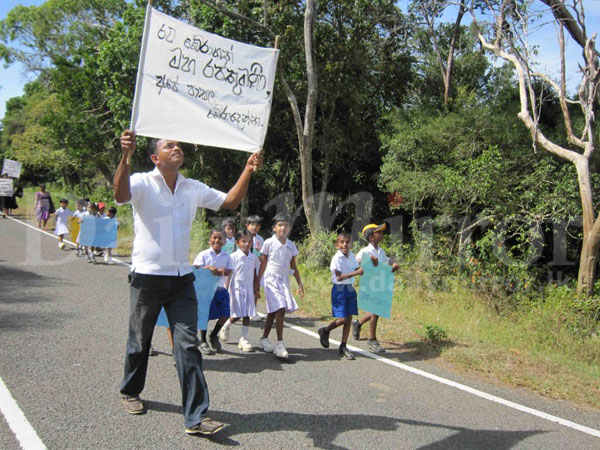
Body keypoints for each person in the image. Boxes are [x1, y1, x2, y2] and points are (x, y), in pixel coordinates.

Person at [114, 130, 262, 435]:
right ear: (156, 158)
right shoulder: (142, 181)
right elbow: (119, 195)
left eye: (178, 144)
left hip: (182, 280)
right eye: (169, 146)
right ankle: (131, 390)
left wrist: (247, 169)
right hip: (147, 278)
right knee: (140, 341)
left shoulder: (192, 187)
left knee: (188, 346)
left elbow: (231, 202)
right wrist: (125, 156)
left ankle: (196, 417)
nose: (177, 147)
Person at [257, 213, 304, 358]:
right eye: (280, 225)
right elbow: (263, 262)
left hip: (284, 280)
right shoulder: (269, 243)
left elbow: (293, 265)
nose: (283, 228)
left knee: (274, 310)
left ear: (289, 228)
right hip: (270, 278)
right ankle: (280, 344)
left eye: (286, 225)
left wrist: (300, 283)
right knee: (281, 309)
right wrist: (257, 283)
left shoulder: (291, 245)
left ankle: (264, 338)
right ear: (274, 228)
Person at [351, 223, 399, 353]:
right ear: (372, 237)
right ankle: (372, 339)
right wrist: (368, 260)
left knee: (377, 310)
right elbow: (357, 261)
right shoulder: (365, 251)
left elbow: (386, 261)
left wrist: (393, 265)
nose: (382, 234)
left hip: (380, 283)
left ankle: (358, 323)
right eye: (380, 232)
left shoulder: (381, 251)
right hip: (369, 283)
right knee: (376, 310)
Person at [318, 232, 364, 360]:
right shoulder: (337, 258)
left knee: (349, 318)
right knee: (342, 319)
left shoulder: (352, 256)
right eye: (342, 242)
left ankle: (343, 345)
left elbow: (357, 267)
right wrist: (356, 273)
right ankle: (325, 331)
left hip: (350, 288)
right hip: (339, 289)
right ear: (337, 245)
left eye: (347, 242)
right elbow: (338, 278)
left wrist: (365, 265)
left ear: (351, 244)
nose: (345, 244)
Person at [193, 228, 233, 355]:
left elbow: (230, 270)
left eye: (220, 238)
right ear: (210, 240)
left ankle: (214, 335)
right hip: (206, 290)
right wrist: (208, 268)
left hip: (221, 290)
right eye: (214, 238)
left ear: (225, 241)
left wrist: (224, 271)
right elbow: (196, 268)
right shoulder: (204, 254)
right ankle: (202, 340)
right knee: (205, 316)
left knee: (225, 314)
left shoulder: (226, 256)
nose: (217, 240)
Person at [219, 229, 260, 352]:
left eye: (249, 242)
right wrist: (225, 289)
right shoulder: (233, 257)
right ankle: (225, 327)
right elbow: (229, 274)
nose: (247, 244)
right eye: (243, 241)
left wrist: (256, 289)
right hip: (236, 288)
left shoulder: (253, 258)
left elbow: (254, 274)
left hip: (248, 288)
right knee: (237, 314)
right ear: (237, 242)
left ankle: (243, 339)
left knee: (247, 314)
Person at [245, 214, 264, 321]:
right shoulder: (242, 236)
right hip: (244, 267)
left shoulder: (260, 239)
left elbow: (262, 254)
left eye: (257, 225)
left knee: (255, 288)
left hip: (256, 266)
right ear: (247, 225)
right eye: (252, 225)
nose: (254, 227)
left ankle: (253, 311)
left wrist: (259, 251)